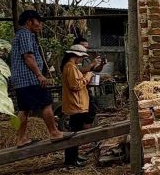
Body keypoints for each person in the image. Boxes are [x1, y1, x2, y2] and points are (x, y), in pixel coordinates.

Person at [10, 9, 68, 147]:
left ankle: (21, 138)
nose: (40, 24)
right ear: (29, 22)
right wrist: (39, 75)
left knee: (24, 109)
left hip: (20, 80)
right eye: (38, 21)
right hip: (29, 78)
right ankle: (54, 133)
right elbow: (28, 57)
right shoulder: (25, 34)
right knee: (46, 103)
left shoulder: (20, 35)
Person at [61, 44, 96, 166]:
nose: (82, 60)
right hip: (76, 104)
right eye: (81, 57)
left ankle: (74, 157)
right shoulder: (70, 67)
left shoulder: (72, 67)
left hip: (77, 104)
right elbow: (75, 85)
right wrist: (87, 76)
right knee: (74, 134)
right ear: (76, 56)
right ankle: (71, 160)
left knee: (76, 132)